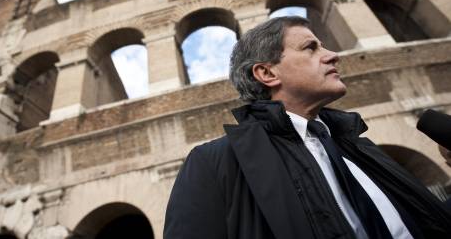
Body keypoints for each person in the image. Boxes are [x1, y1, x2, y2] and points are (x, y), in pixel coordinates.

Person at [163, 16, 451, 239]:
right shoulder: (216, 163)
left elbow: (426, 223)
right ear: (266, 73)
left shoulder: (359, 146)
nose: (332, 55)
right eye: (311, 48)